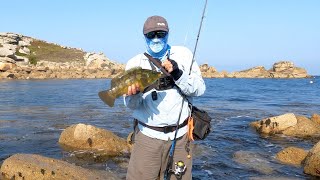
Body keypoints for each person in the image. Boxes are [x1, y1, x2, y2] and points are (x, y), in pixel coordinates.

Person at [123, 15, 206, 180]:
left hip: (181, 137)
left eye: (160, 34)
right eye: (151, 35)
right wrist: (134, 94)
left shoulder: (184, 55)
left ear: (167, 33)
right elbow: (131, 105)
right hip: (147, 137)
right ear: (144, 36)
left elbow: (199, 89)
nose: (156, 38)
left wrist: (178, 74)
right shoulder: (134, 63)